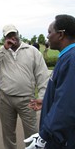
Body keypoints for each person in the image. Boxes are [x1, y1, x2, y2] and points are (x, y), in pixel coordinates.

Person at [0, 24, 49, 149]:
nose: (12, 37)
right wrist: (4, 49)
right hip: (5, 98)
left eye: (13, 34)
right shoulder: (2, 51)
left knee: (32, 132)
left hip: (27, 99)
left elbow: (42, 76)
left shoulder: (32, 51)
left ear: (18, 33)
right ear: (5, 37)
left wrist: (42, 96)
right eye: (8, 35)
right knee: (8, 132)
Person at [24, 14, 75, 149]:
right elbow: (63, 94)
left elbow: (66, 106)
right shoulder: (66, 56)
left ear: (61, 34)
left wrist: (44, 136)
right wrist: (47, 101)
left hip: (62, 140)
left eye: (49, 32)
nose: (47, 37)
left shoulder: (72, 59)